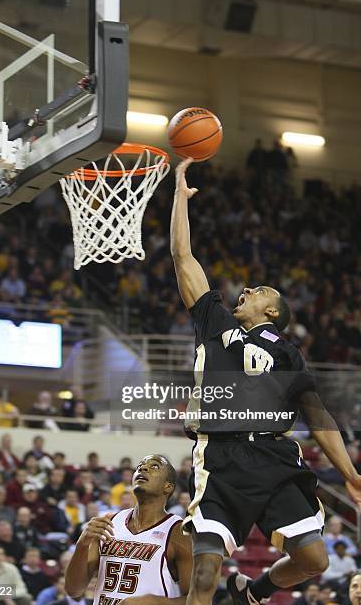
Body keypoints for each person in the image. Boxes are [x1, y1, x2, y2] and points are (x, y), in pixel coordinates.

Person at [170, 158, 361, 605]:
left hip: (274, 456)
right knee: (205, 572)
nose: (247, 291)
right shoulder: (216, 322)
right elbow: (183, 256)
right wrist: (180, 198)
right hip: (222, 454)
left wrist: (350, 473)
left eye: (259, 291)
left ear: (272, 312)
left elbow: (317, 415)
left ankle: (252, 595)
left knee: (315, 560)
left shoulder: (289, 354)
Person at [65, 454, 192, 603]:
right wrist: (81, 545)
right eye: (140, 466)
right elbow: (73, 590)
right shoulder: (109, 522)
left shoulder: (177, 531)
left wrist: (158, 603)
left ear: (168, 486)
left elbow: (199, 600)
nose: (143, 468)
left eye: (155, 466)